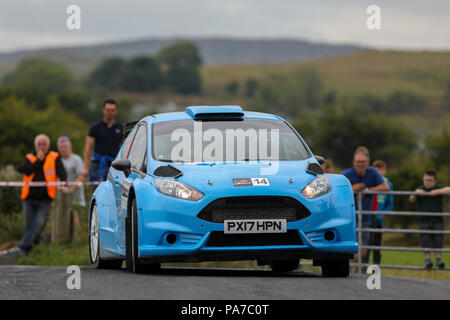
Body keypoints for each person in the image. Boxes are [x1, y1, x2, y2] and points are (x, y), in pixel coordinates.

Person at [6, 134, 67, 256]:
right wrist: (39, 160)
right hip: (28, 198)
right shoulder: (30, 157)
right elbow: (24, 170)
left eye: (44, 144)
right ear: (36, 145)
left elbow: (63, 174)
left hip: (45, 199)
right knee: (30, 226)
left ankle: (21, 248)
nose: (42, 146)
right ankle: (35, 251)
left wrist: (63, 184)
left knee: (38, 225)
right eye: (39, 144)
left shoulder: (54, 157)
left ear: (48, 145)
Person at [342, 149, 389, 264]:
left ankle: (357, 271)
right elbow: (337, 189)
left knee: (363, 251)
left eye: (363, 162)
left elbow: (386, 187)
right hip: (349, 218)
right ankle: (351, 270)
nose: (360, 164)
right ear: (354, 162)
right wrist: (353, 188)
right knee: (349, 248)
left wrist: (367, 190)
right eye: (358, 161)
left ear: (368, 163)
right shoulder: (346, 174)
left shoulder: (372, 172)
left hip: (366, 218)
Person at [409, 171, 449, 270]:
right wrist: (416, 193)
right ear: (423, 179)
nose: (427, 182)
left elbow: (449, 189)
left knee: (438, 240)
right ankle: (428, 261)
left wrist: (437, 192)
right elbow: (411, 199)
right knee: (425, 241)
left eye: (430, 180)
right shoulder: (420, 189)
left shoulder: (438, 188)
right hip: (424, 220)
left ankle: (438, 260)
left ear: (435, 181)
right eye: (426, 180)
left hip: (438, 220)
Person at [82, 99, 122, 183]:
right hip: (97, 164)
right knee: (96, 189)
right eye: (108, 110)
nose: (110, 112)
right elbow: (88, 147)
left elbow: (126, 147)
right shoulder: (95, 127)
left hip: (114, 165)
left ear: (116, 111)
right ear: (103, 110)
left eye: (112, 110)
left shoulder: (121, 128)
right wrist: (85, 167)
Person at [56, 136, 86, 240]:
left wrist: (70, 190)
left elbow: (81, 176)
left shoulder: (76, 159)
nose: (63, 149)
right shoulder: (58, 160)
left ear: (70, 147)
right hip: (63, 195)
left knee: (75, 216)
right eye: (61, 147)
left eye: (65, 146)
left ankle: (77, 240)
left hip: (75, 195)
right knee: (63, 217)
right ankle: (64, 240)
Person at [369, 160, 394, 264]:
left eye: (381, 169)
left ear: (385, 171)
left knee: (377, 244)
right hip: (368, 218)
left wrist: (383, 214)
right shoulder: (370, 182)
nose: (379, 171)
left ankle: (376, 266)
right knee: (366, 243)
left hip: (379, 220)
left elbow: (390, 203)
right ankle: (363, 266)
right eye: (376, 169)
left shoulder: (388, 184)